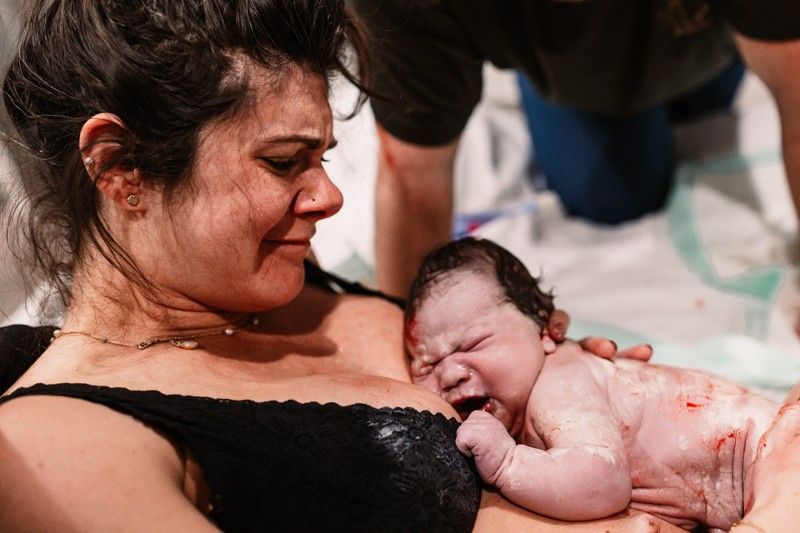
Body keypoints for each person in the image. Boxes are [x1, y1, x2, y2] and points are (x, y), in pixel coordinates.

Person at [0, 1, 680, 531]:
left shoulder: (255, 278)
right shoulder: (55, 443)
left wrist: (560, 385)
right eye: (283, 162)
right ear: (121, 168)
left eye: (322, 157)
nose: (329, 196)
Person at [349, 0, 800, 298]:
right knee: (612, 195)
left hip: (711, 37)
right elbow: (413, 179)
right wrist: (408, 364)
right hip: (577, 70)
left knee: (717, 94)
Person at [404, 237, 780, 530]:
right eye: (427, 365)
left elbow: (604, 480)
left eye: (472, 344)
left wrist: (507, 463)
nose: (450, 374)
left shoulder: (558, 383)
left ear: (548, 331)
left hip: (769, 455)